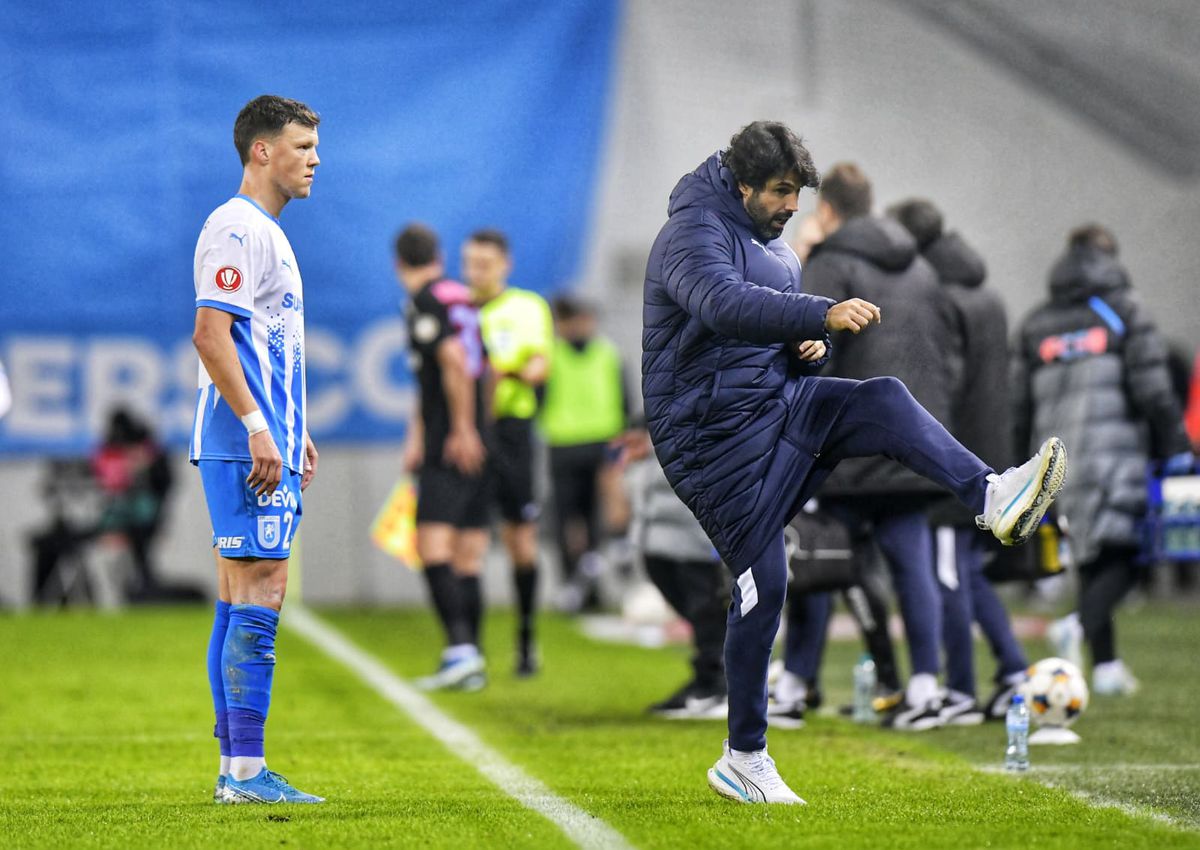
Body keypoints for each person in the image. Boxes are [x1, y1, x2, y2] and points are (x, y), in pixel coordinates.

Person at [642, 120, 1066, 804]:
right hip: (709, 443)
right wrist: (817, 316)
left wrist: (806, 351)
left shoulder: (777, 251)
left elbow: (771, 337)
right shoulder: (690, 233)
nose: (792, 206)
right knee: (764, 586)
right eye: (780, 190)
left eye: (798, 193)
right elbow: (720, 305)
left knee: (881, 397)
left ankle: (991, 496)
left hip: (774, 410)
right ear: (742, 184)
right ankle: (744, 757)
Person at [190, 94, 323, 805]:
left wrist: (291, 427)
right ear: (261, 151)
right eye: (302, 147)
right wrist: (257, 426)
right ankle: (245, 773)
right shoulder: (237, 227)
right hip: (243, 444)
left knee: (238, 593)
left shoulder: (265, 231)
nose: (314, 160)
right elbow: (210, 335)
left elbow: (262, 347)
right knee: (261, 590)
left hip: (260, 439)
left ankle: (234, 770)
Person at [797, 164, 958, 731]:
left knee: (816, 558)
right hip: (914, 442)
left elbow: (811, 353)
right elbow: (946, 353)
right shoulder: (922, 268)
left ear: (827, 210)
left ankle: (794, 683)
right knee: (913, 566)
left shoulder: (829, 261)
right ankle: (925, 686)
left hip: (847, 443)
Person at [1014, 224, 1190, 696]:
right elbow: (1154, 389)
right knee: (1130, 554)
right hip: (1116, 457)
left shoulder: (1037, 323)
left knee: (1094, 558)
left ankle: (1107, 667)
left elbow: (1017, 404)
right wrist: (1176, 445)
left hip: (1058, 464)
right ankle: (1078, 622)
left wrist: (1019, 467)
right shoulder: (1123, 311)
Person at [889, 198, 1030, 721]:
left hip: (960, 451)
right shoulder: (985, 293)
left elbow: (941, 383)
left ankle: (962, 691)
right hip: (994, 442)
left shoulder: (937, 297)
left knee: (947, 572)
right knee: (967, 571)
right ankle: (1014, 671)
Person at [396, 223, 489, 690]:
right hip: (480, 434)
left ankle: (461, 651)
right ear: (440, 256)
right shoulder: (460, 296)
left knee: (432, 545)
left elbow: (452, 360)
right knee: (467, 554)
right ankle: (471, 657)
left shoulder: (425, 300)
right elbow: (480, 366)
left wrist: (461, 428)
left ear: (398, 263)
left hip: (452, 438)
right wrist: (477, 426)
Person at [463, 229, 554, 676]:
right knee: (469, 539)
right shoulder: (457, 309)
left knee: (521, 536)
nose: (476, 271)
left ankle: (526, 639)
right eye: (470, 263)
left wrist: (508, 372)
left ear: (505, 265)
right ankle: (469, 647)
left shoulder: (526, 307)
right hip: (468, 433)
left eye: (485, 263)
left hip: (512, 432)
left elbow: (540, 364)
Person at [621, 424, 729, 717]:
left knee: (705, 596)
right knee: (666, 573)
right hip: (660, 501)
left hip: (699, 493)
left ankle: (719, 678)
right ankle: (713, 674)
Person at [539, 295, 630, 612]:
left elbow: (624, 401)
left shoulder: (607, 354)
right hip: (563, 445)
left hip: (601, 444)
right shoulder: (551, 356)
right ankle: (571, 584)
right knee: (568, 519)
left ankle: (593, 588)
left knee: (597, 519)